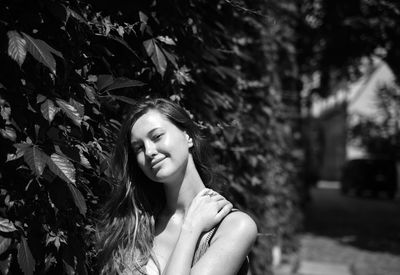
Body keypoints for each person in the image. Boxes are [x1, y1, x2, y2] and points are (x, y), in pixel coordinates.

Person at [97, 97, 258, 275]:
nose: (149, 151)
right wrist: (191, 228)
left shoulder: (235, 226)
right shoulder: (135, 225)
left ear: (187, 136)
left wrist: (190, 229)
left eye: (157, 136)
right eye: (139, 148)